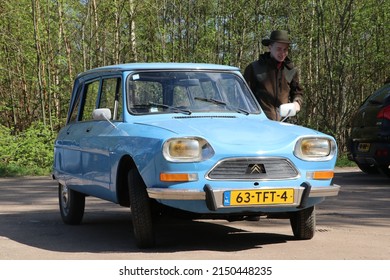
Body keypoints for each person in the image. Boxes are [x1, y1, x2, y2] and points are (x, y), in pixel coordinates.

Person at [244, 30, 303, 121]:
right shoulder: (254, 68)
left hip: (284, 123)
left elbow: (297, 93)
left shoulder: (291, 70)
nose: (282, 53)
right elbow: (244, 97)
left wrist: (297, 103)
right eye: (279, 49)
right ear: (270, 47)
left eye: (285, 49)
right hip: (260, 123)